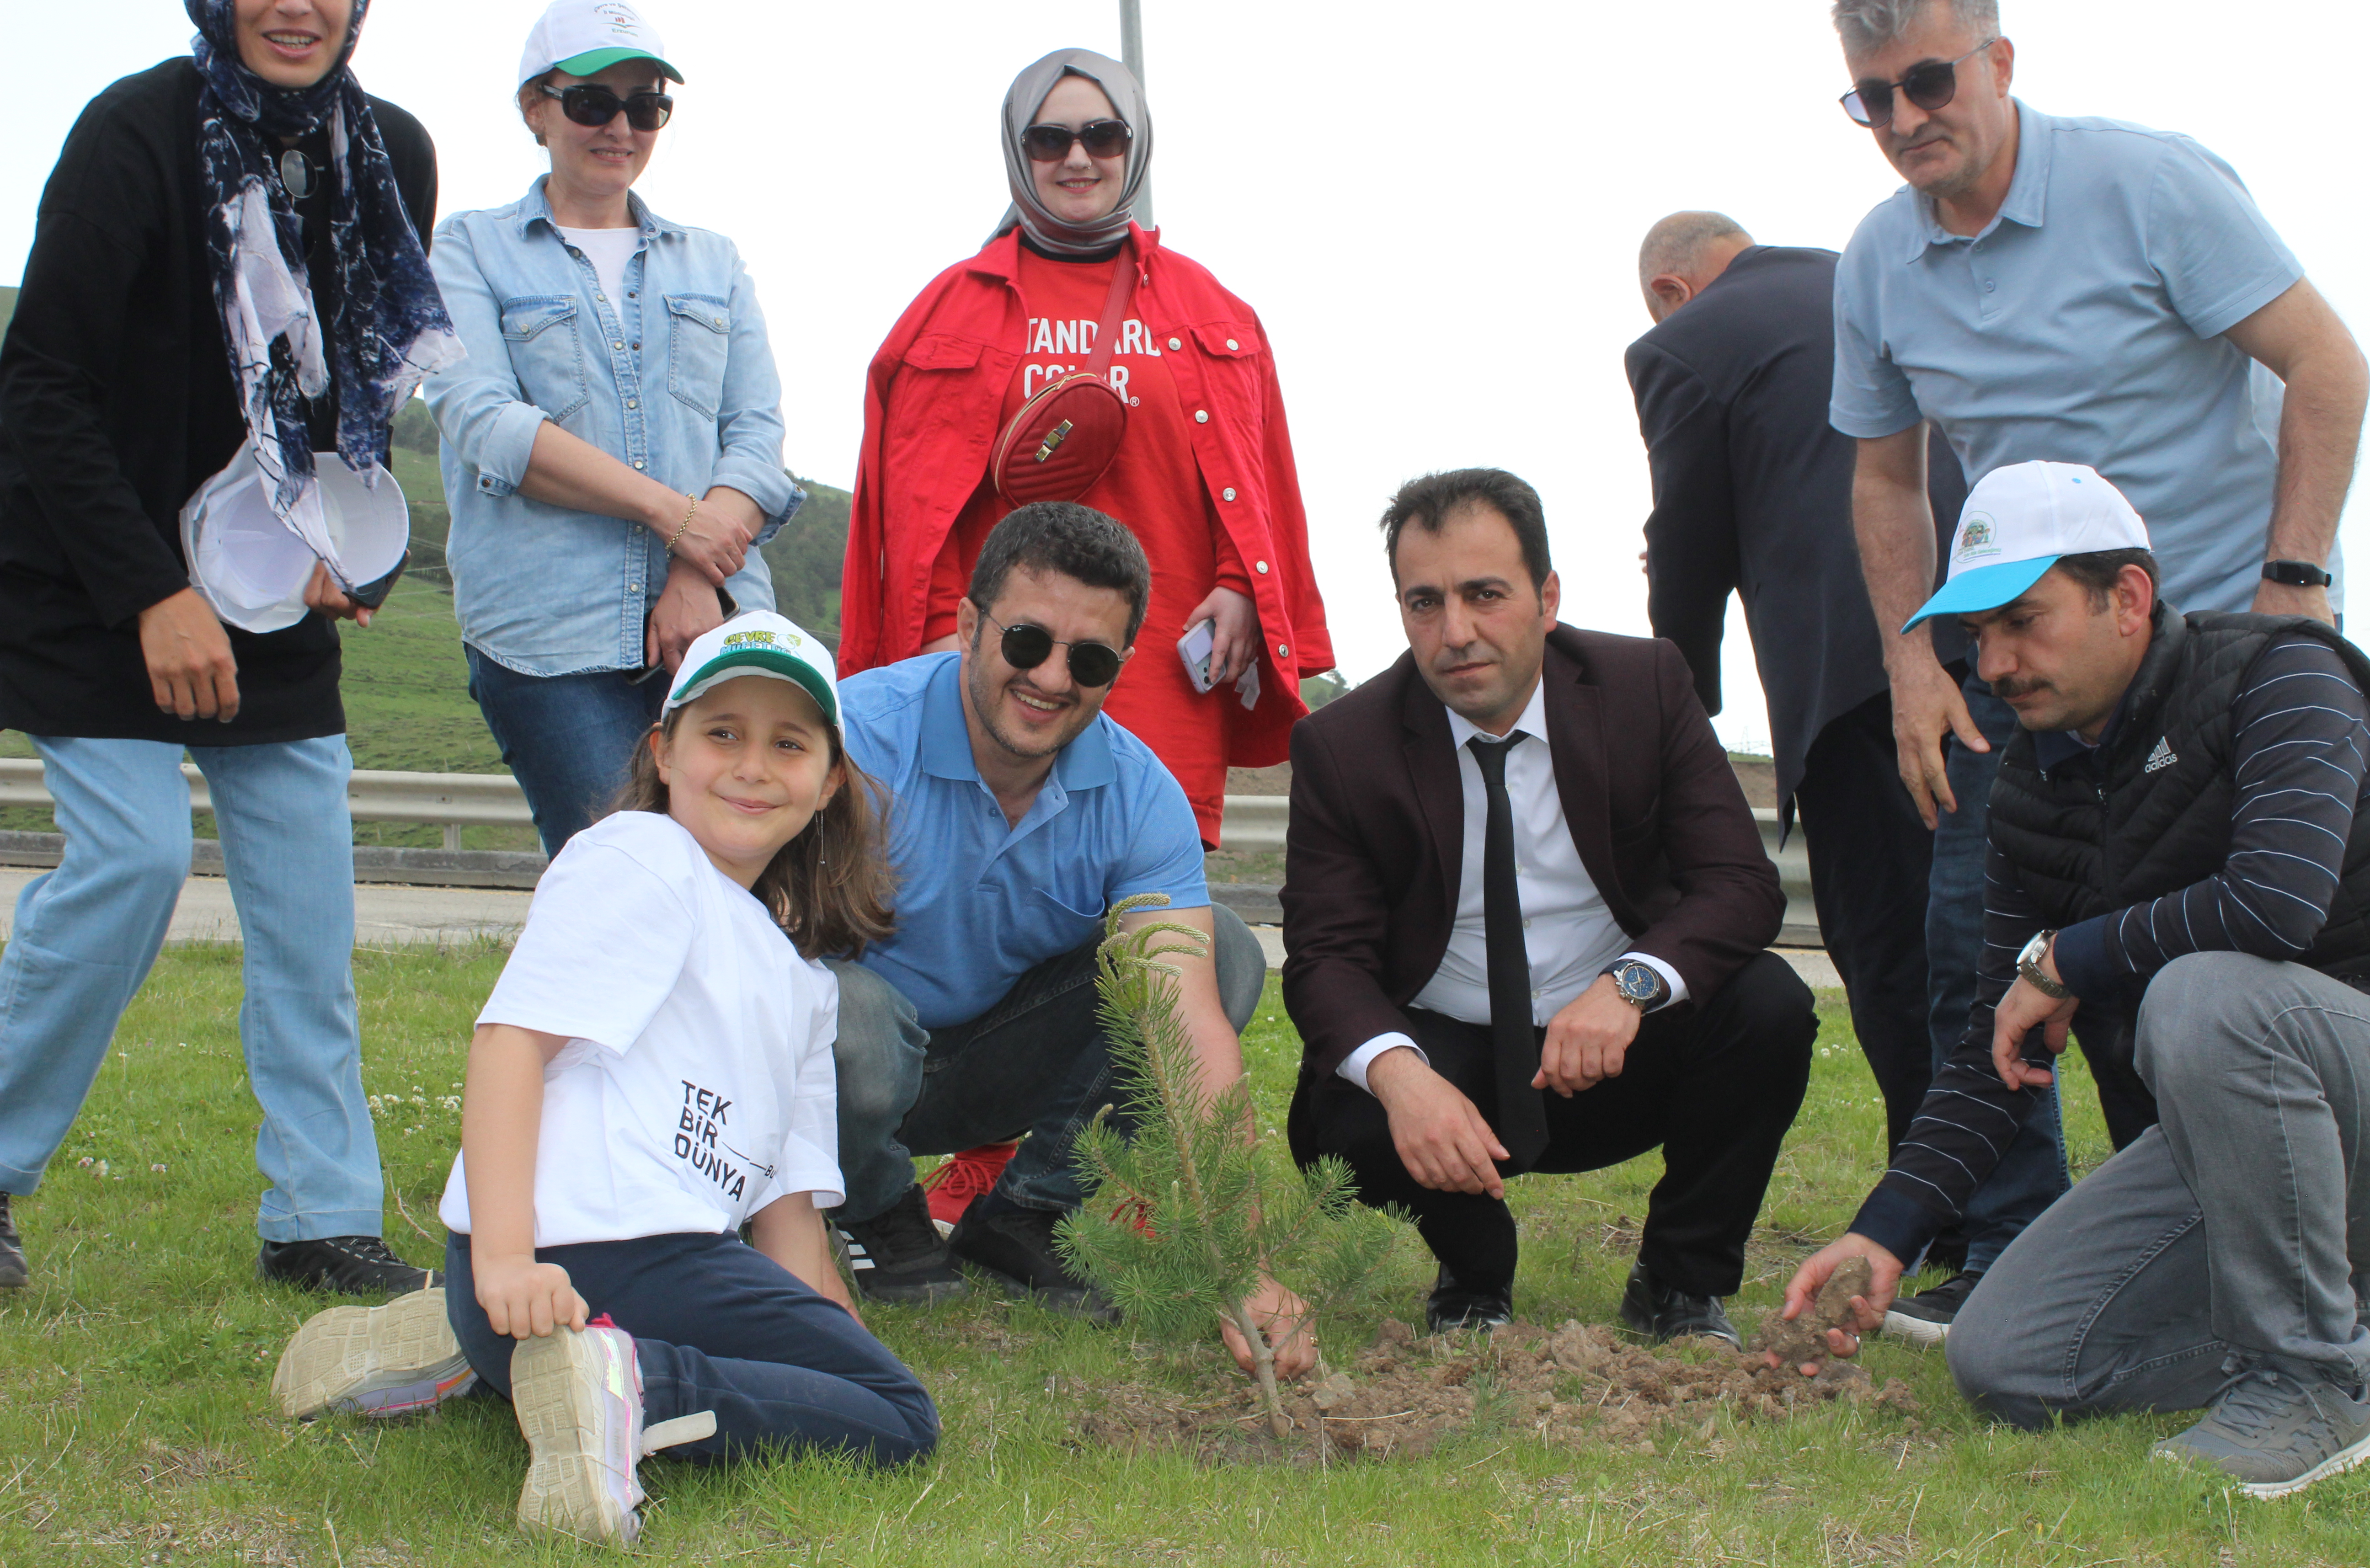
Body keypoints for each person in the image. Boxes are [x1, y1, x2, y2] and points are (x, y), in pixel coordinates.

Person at [1823, 0, 2370, 1337]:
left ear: (2001, 62)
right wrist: (1918, 660)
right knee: (1983, 958)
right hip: (2023, 655)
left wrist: (2290, 591)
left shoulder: (2150, 185)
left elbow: (2327, 365)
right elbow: (1887, 482)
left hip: (2223, 656)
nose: (1904, 120)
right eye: (1871, 97)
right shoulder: (1878, 261)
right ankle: (2015, 1245)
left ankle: (2314, 1244)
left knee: (2234, 958)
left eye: (1931, 82)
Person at [273, 612, 936, 1547]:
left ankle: (459, 1346)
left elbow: (790, 1217)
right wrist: (507, 1257)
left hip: (543, 1291)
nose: (752, 765)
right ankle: (632, 1385)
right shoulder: (642, 856)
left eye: (787, 743)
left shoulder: (803, 984)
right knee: (898, 1413)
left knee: (848, 1374)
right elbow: (511, 1044)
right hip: (582, 1258)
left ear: (828, 783)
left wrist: (830, 1353)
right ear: (664, 753)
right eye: (722, 734)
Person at [1783, 460, 2370, 1499]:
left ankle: (2309, 1381)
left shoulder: (2283, 677)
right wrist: (1887, 1229)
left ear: (2129, 598)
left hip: (2343, 1085)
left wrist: (2070, 956)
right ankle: (2335, 1339)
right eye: (1974, 635)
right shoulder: (2028, 786)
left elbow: (2277, 902)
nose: (1995, 662)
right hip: (2245, 1157)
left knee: (2207, 995)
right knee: (2009, 1363)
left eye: (2024, 621)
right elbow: (1996, 1044)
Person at [0, 0, 459, 1295]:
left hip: (261, 594)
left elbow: (344, 394)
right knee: (136, 861)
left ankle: (320, 1218)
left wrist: (335, 543)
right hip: (97, 587)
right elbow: (38, 382)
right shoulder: (132, 136)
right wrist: (151, 591)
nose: (296, 2)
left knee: (310, 921)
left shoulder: (392, 154)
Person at [1281, 469, 1816, 1340]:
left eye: (1485, 594)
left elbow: (1741, 885)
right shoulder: (1344, 745)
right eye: (1425, 603)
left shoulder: (1644, 685)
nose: (1456, 633)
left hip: (1616, 1048)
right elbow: (1323, 957)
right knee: (1346, 1108)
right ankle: (1474, 1270)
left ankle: (1680, 1281)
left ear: (1548, 597)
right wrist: (1405, 1079)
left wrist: (1631, 984)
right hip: (1452, 1054)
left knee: (1769, 1007)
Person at [825, 501, 1315, 1383]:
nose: (1051, 678)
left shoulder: (1138, 792)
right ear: (970, 626)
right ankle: (873, 1205)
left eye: (1088, 659)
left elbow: (1191, 1032)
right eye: (1026, 641)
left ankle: (1029, 1211)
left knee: (1227, 955)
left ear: (1121, 667)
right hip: (836, 1067)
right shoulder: (853, 739)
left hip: (988, 1064)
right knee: (848, 1012)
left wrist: (1247, 1266)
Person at [838, 47, 1331, 852]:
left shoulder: (1213, 306)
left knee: (1145, 938)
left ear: (1133, 148)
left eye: (1102, 136)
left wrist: (1241, 585)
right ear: (1016, 151)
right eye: (1049, 140)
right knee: (976, 919)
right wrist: (937, 640)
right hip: (996, 674)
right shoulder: (945, 311)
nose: (1077, 158)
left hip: (1162, 674)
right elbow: (909, 512)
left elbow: (1259, 473)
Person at [425, 0, 800, 858]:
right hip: (551, 643)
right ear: (536, 108)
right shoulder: (469, 249)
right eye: (592, 102)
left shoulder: (715, 259)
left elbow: (757, 437)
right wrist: (674, 517)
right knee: (622, 874)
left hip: (716, 622)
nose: (620, 127)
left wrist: (691, 566)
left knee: (746, 878)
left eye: (646, 106)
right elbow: (487, 424)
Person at [1628, 210, 1969, 1157]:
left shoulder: (1685, 341)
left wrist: (1680, 705)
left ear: (1670, 291)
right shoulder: (1867, 280)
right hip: (2010, 632)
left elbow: (1688, 540)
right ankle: (2014, 1203)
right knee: (1991, 926)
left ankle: (1947, 1207)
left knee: (1895, 944)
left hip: (1863, 676)